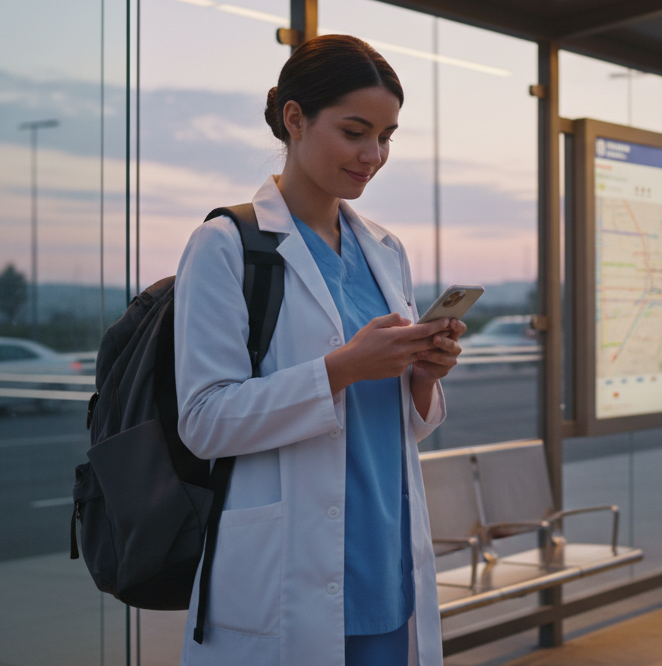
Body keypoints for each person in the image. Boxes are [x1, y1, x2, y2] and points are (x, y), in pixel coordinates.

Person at [173, 34, 464, 666]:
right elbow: (203, 420)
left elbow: (399, 430)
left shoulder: (385, 251)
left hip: (387, 562)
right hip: (289, 573)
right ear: (294, 118)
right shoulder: (227, 245)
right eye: (356, 131)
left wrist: (422, 377)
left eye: (387, 136)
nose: (373, 155)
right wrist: (340, 370)